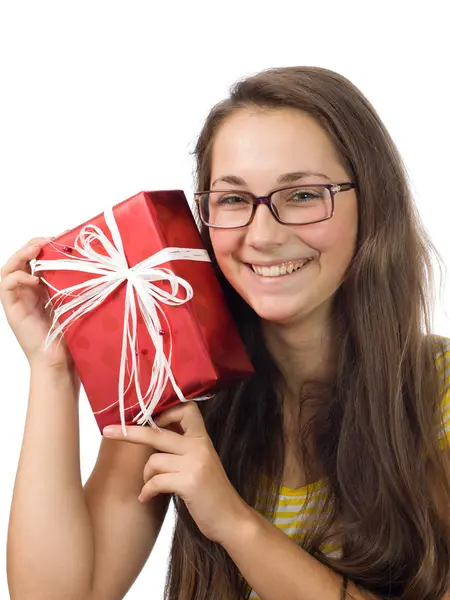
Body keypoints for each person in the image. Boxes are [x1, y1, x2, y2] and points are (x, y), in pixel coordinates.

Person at [2, 66, 450, 600]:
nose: (263, 235)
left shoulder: (435, 391)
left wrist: (232, 521)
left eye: (303, 195)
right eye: (234, 200)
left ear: (371, 203)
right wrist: (52, 370)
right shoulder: (174, 386)